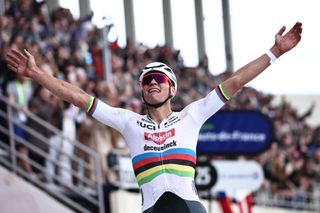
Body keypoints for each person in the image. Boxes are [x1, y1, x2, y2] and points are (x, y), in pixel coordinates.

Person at [5, 22, 302, 213]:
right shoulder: (128, 121)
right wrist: (36, 74)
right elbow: (78, 98)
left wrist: (275, 51)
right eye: (147, 81)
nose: (153, 83)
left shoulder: (192, 115)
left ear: (172, 86)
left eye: (158, 78)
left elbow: (235, 82)